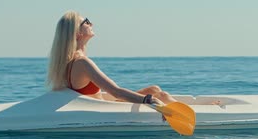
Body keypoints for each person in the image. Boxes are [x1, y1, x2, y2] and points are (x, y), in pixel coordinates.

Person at [46, 11, 177, 105]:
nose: (91, 23)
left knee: (154, 89)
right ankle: (194, 117)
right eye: (86, 22)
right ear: (78, 33)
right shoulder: (82, 62)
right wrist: (148, 100)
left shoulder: (69, 60)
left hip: (101, 105)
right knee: (162, 96)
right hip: (101, 111)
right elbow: (116, 92)